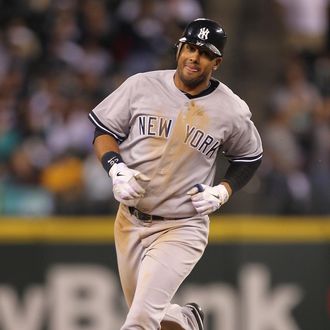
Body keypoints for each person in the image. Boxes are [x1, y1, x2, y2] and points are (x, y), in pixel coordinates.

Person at [88, 18, 263, 330]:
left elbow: (249, 157)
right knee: (153, 316)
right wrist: (115, 168)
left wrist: (223, 190)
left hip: (182, 227)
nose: (194, 57)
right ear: (180, 49)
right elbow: (104, 130)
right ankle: (184, 318)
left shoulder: (231, 109)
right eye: (190, 48)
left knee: (139, 322)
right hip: (129, 220)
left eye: (205, 53)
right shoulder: (141, 85)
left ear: (217, 62)